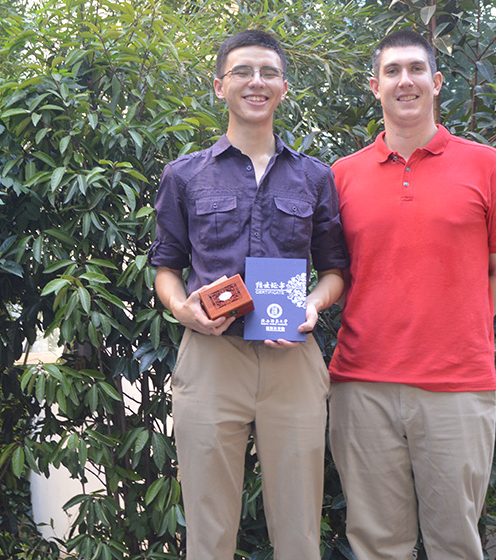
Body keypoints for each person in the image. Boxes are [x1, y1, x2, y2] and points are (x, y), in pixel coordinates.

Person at [327, 30, 496, 559]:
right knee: (375, 544)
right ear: (375, 87)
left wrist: (450, 327)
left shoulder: (487, 166)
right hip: (361, 385)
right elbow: (334, 273)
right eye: (392, 71)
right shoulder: (341, 177)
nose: (405, 81)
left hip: (456, 386)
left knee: (455, 543)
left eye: (416, 69)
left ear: (436, 82)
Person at [148, 29, 348, 559]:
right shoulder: (184, 175)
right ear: (219, 86)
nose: (255, 82)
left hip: (293, 362)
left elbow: (335, 271)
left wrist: (313, 303)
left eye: (267, 73)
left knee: (300, 527)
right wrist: (180, 308)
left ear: (283, 87)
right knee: (209, 530)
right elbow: (165, 266)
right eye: (241, 71)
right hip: (212, 360)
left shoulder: (314, 177)